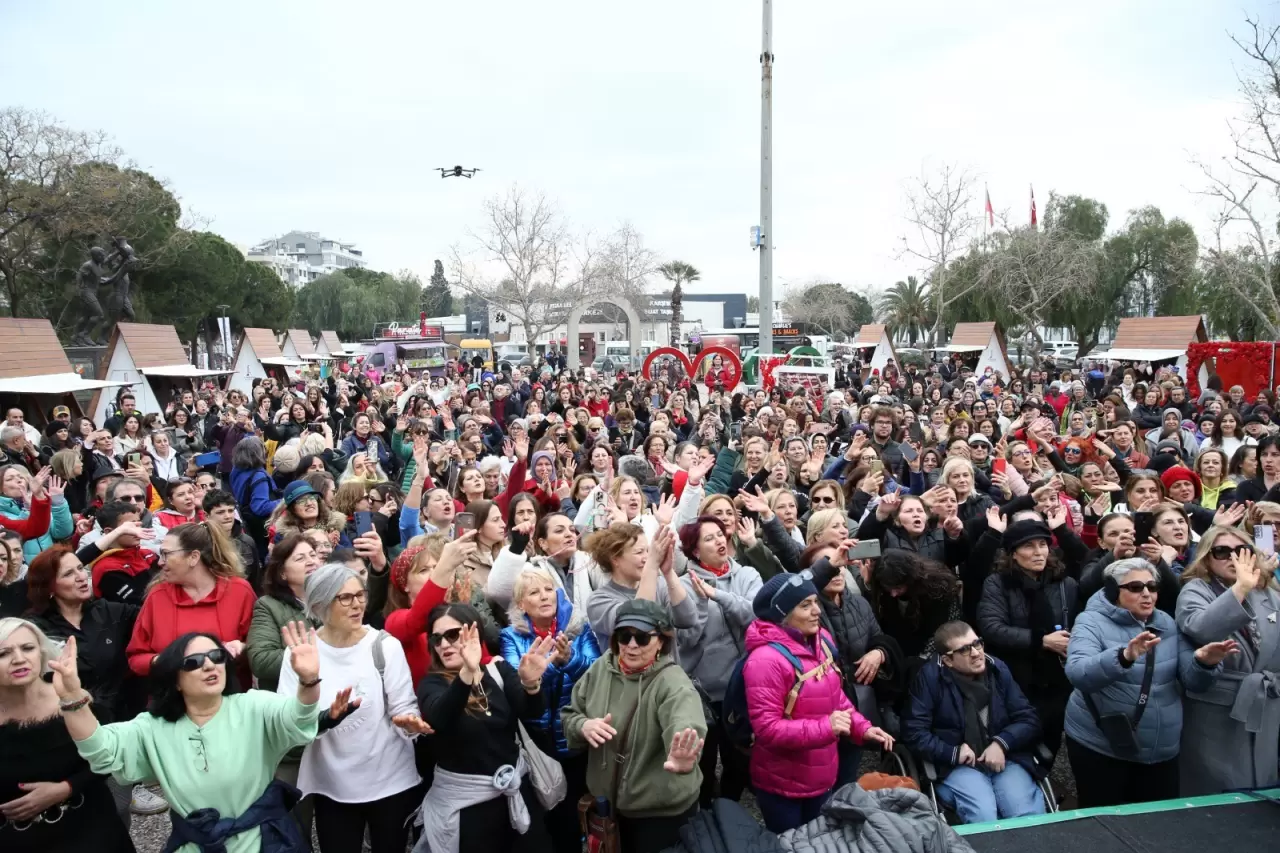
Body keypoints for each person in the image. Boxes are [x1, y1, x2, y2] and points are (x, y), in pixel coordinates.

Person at [50, 625, 325, 853]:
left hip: (264, 842)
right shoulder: (152, 726)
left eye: (217, 656)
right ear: (175, 680)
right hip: (196, 845)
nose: (209, 665)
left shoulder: (254, 705)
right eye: (193, 662)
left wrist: (309, 680)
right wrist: (72, 698)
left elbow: (299, 719)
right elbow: (100, 749)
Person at [1064, 557, 1237, 807]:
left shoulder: (1165, 622)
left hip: (1162, 751)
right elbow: (1079, 673)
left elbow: (1194, 682)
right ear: (1114, 591)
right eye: (1135, 587)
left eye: (1152, 587)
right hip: (1103, 745)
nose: (1147, 594)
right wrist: (1123, 656)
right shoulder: (1090, 621)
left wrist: (1204, 663)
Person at [278, 564, 427, 853]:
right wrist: (324, 718)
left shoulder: (385, 646)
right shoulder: (301, 653)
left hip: (390, 778)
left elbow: (403, 706)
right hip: (332, 784)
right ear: (321, 604)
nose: (357, 604)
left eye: (360, 595)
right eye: (344, 598)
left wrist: (410, 723)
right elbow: (289, 722)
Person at [742, 571, 894, 833]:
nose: (816, 611)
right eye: (805, 605)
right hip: (783, 785)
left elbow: (836, 697)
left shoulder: (822, 640)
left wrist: (862, 727)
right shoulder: (765, 661)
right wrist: (827, 727)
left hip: (822, 776)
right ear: (782, 614)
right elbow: (766, 729)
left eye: (815, 602)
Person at [562, 599, 708, 853]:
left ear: (661, 641)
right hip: (608, 807)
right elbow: (570, 713)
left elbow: (684, 723)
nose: (631, 645)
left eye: (641, 637)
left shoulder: (673, 683)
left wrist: (685, 758)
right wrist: (582, 726)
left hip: (657, 815)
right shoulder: (602, 668)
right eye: (624, 635)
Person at [415, 602, 555, 853]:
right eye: (437, 638)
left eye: (452, 634)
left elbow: (532, 711)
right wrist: (467, 673)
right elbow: (440, 716)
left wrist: (531, 684)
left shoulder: (497, 670)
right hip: (468, 810)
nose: (444, 644)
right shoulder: (431, 684)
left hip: (516, 793)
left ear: (474, 634)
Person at [0, 618, 135, 853]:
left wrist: (67, 788)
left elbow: (109, 758)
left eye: (28, 648)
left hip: (90, 831)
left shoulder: (70, 695)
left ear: (41, 653)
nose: (19, 659)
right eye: (3, 653)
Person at [500, 565, 601, 853]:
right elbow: (518, 682)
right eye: (534, 592)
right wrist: (552, 667)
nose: (545, 597)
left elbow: (596, 675)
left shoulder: (579, 629)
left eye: (548, 590)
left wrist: (568, 660)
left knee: (581, 806)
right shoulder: (511, 636)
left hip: (577, 735)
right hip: (539, 738)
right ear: (522, 604)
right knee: (550, 810)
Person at [903, 621, 1046, 824]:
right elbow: (914, 733)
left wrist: (1001, 743)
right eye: (964, 650)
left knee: (1026, 816)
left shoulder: (997, 670)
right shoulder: (930, 679)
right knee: (984, 815)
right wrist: (952, 753)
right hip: (957, 765)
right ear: (948, 660)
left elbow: (1028, 719)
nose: (976, 653)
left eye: (977, 643)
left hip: (1005, 759)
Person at [1175, 527, 1280, 795]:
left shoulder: (1270, 593)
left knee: (1262, 781)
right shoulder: (1195, 590)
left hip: (1266, 702)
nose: (1232, 557)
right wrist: (1240, 588)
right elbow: (1202, 628)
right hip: (1219, 708)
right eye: (1221, 551)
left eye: (1240, 550)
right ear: (1206, 558)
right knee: (1218, 786)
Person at [674, 515, 761, 805]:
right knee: (705, 760)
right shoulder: (684, 586)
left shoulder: (746, 575)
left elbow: (755, 615)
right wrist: (700, 600)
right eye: (709, 538)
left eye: (721, 534)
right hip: (704, 691)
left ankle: (730, 808)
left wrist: (718, 596)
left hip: (743, 686)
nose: (720, 541)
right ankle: (706, 814)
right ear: (695, 551)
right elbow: (686, 638)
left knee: (739, 759)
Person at [977, 515, 1080, 753]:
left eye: (1043, 544)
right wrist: (1040, 641)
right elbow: (992, 627)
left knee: (1052, 735)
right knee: (1019, 736)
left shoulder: (1065, 584)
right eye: (1028, 546)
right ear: (1013, 553)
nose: (1038, 552)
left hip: (1057, 675)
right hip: (1016, 675)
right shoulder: (997, 583)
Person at [126, 521, 256, 687]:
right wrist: (165, 661)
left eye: (166, 554)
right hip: (173, 703)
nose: (160, 562)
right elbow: (136, 658)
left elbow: (260, 650)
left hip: (231, 699)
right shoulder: (157, 596)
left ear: (193, 557)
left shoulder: (239, 591)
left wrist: (241, 648)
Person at [247, 534, 324, 692]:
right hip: (294, 695)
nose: (311, 562)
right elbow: (261, 661)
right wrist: (314, 655)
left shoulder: (335, 596)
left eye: (313, 555)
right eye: (300, 558)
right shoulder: (268, 606)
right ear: (282, 573)